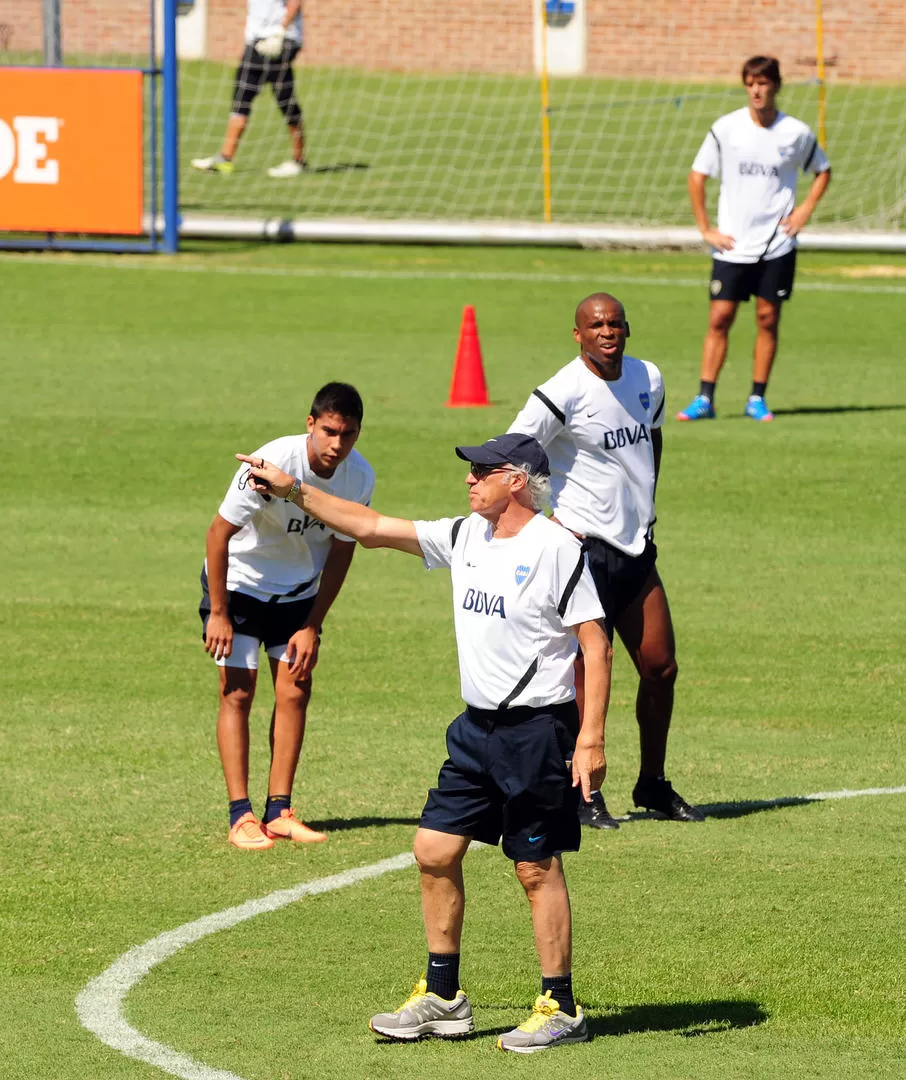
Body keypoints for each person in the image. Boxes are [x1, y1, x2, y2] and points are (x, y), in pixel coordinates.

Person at [238, 433, 612, 1053]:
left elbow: (595, 645)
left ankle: (561, 1007)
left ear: (516, 481)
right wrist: (296, 489)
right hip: (475, 730)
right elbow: (372, 526)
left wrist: (591, 739)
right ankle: (443, 999)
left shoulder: (555, 548)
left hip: (537, 732)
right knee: (434, 849)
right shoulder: (466, 535)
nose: (469, 480)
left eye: (482, 471)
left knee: (534, 866)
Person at [509, 293, 703, 830]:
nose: (607, 332)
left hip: (637, 548)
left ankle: (653, 783)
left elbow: (653, 439)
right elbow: (514, 451)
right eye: (596, 325)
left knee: (661, 667)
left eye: (615, 323)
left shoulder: (648, 377)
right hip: (584, 549)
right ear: (578, 335)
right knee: (584, 676)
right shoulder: (561, 392)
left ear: (627, 329)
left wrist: (646, 503)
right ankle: (582, 791)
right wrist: (540, 523)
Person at [201, 382, 374, 850]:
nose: (338, 445)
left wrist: (313, 624)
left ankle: (279, 811)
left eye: (349, 434)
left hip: (298, 594)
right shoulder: (271, 464)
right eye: (330, 431)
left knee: (295, 690)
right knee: (238, 691)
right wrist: (218, 612)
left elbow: (342, 552)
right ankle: (241, 816)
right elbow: (218, 535)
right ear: (311, 424)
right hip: (239, 587)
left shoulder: (359, 478)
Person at [678, 55, 831, 423]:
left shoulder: (796, 132)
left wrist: (804, 211)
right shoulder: (725, 129)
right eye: (750, 83)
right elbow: (697, 177)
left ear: (776, 85)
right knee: (720, 317)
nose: (756, 90)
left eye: (762, 83)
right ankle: (705, 398)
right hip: (732, 243)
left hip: (776, 244)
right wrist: (706, 229)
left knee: (767, 318)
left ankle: (756, 398)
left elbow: (822, 171)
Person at [191, 0, 307, 178]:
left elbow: (295, 2)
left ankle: (298, 160)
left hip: (281, 40)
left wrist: (280, 31)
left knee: (283, 97)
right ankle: (225, 157)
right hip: (256, 42)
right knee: (243, 95)